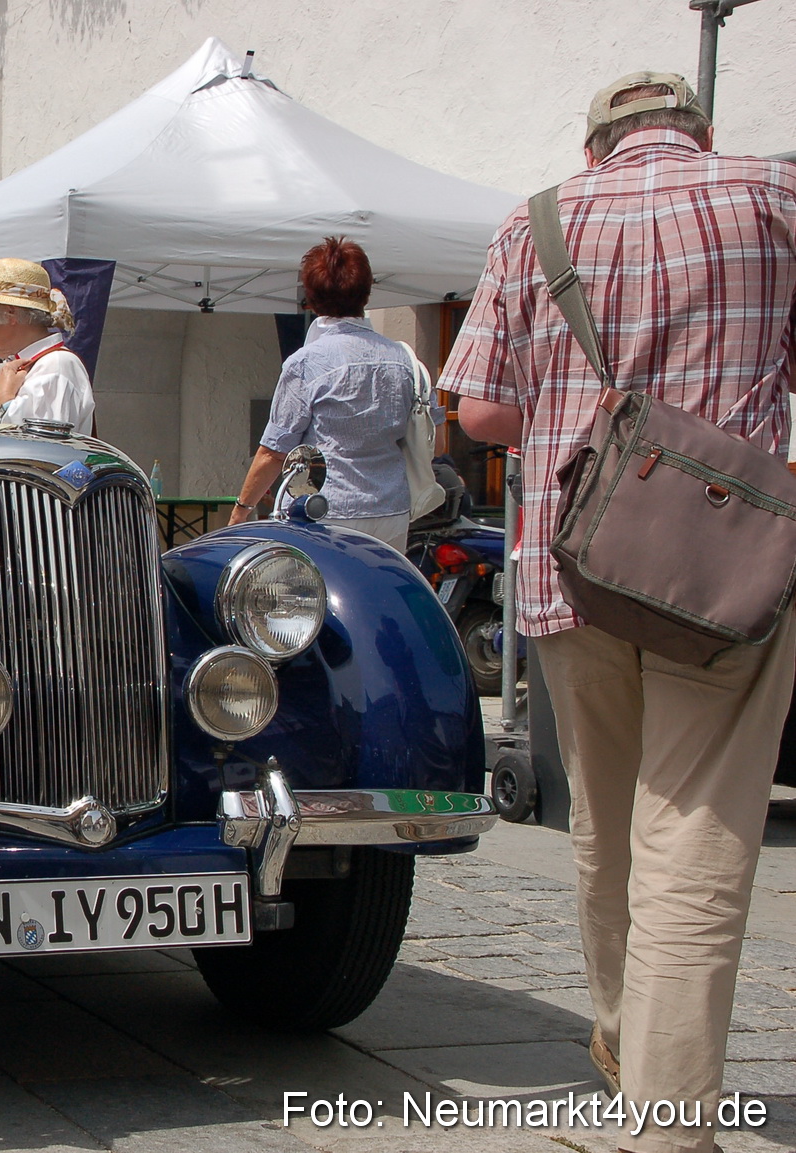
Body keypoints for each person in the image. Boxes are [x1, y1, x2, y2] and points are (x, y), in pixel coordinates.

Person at [446, 72, 796, 1153]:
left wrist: (583, 394)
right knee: (695, 835)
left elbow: (482, 410)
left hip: (579, 561)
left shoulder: (537, 222)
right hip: (726, 571)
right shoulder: (775, 196)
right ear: (701, 133)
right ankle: (669, 1118)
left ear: (596, 147)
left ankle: (618, 1033)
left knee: (603, 826)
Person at [229, 238, 415, 549]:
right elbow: (431, 437)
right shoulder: (402, 358)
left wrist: (241, 511)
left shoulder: (307, 362)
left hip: (324, 509)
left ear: (311, 298)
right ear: (367, 292)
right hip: (390, 508)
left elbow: (274, 452)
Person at [0, 258, 92, 435]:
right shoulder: (33, 365)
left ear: (10, 313)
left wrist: (6, 402)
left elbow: (41, 446)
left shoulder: (57, 366)